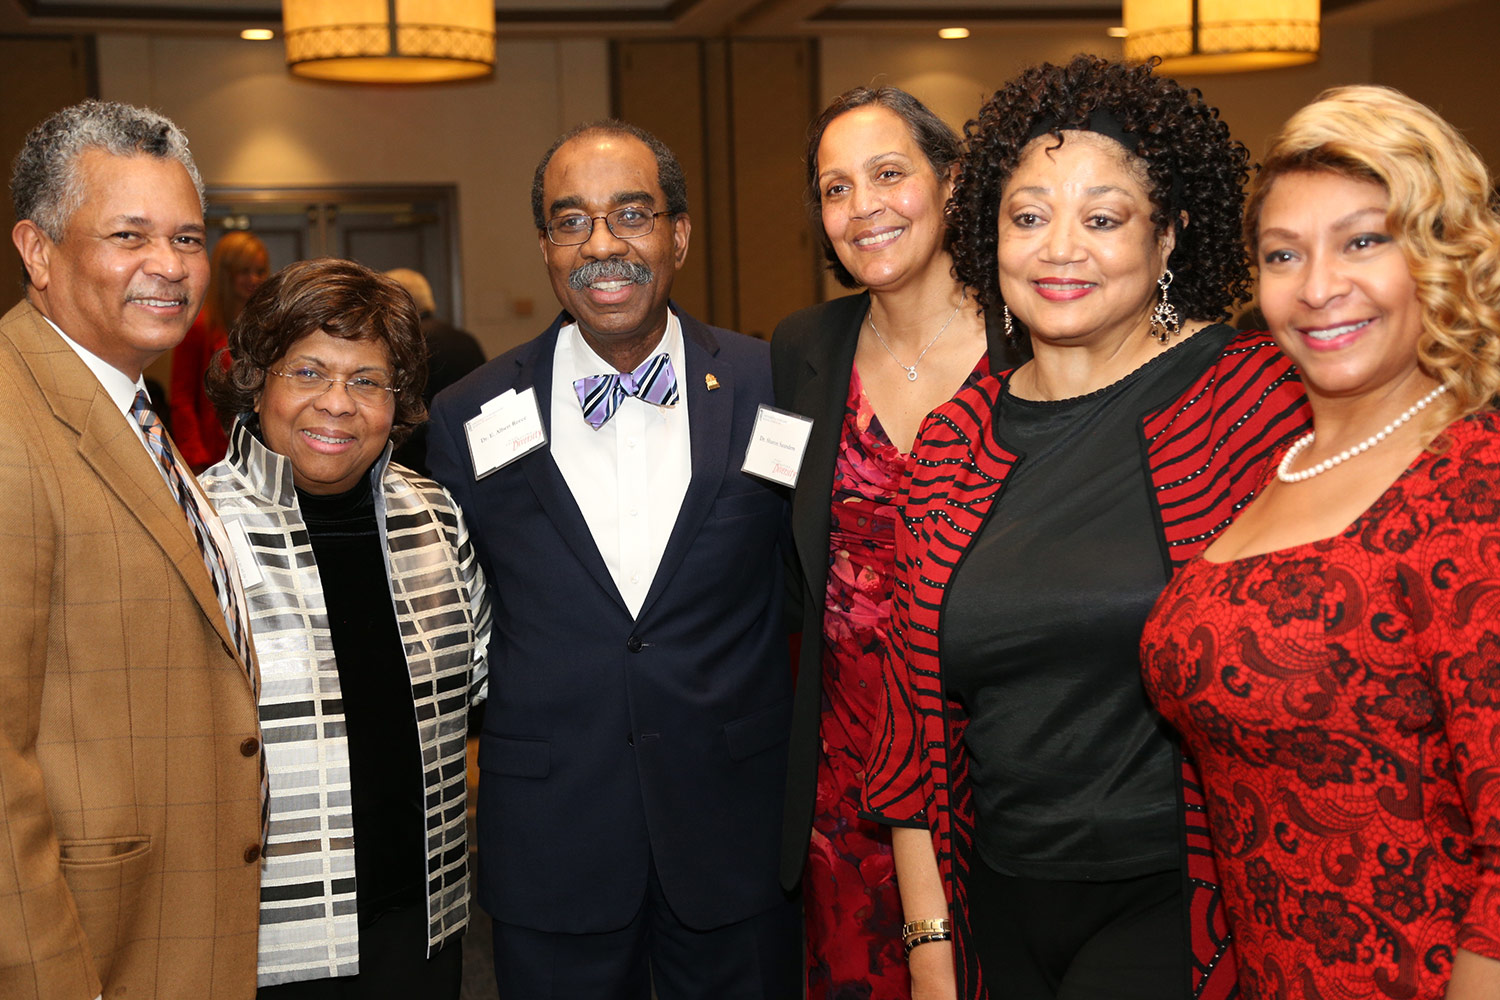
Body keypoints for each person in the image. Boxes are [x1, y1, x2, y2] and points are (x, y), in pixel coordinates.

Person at [859, 55, 1310, 1000]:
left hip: (1180, 896)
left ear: (1168, 235)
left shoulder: (1257, 400)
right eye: (1028, 217)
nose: (1059, 249)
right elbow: (908, 724)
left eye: (1102, 219)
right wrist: (931, 946)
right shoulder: (950, 445)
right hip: (996, 901)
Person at [1141, 86, 1500, 1000]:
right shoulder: (1278, 463)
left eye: (1363, 241)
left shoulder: (1472, 476)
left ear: (1441, 252)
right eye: (1283, 254)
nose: (1317, 287)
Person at [427, 121, 800, 999]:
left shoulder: (774, 384)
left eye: (631, 215)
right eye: (572, 222)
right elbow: (454, 614)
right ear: (546, 248)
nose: (602, 245)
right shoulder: (467, 412)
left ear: (679, 235)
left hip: (735, 826)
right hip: (553, 832)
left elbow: (810, 577)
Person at [0, 99, 263, 999]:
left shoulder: (126, 404)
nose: (171, 266)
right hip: (88, 951)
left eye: (187, 238)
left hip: (172, 926)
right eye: (129, 235)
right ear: (37, 252)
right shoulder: (11, 423)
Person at [771, 86, 1019, 1000]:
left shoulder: (1033, 335)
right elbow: (783, 556)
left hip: (999, 758)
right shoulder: (801, 349)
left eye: (887, 174)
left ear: (951, 183)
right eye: (836, 189)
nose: (863, 206)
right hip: (846, 783)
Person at [199, 258, 491, 998]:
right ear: (256, 381)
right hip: (266, 939)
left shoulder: (434, 516)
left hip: (422, 923)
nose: (337, 403)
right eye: (308, 372)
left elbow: (483, 686)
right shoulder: (194, 528)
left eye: (367, 381)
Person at [172, 230, 268, 471]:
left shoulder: (267, 326)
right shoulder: (199, 327)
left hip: (260, 451)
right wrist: (196, 457)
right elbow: (182, 398)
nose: (254, 279)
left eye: (260, 271)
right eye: (244, 271)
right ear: (226, 274)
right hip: (212, 454)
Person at [384, 266, 485, 476]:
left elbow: (405, 409)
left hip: (420, 458)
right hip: (472, 449)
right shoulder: (465, 339)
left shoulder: (409, 345)